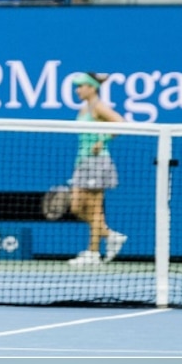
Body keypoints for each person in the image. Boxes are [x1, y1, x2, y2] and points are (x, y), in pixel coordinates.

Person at [67, 73, 126, 266]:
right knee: (76, 207)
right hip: (82, 161)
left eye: (81, 86)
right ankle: (109, 235)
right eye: (77, 86)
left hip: (97, 162)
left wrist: (103, 140)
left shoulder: (99, 106)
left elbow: (121, 123)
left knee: (94, 209)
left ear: (92, 87)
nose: (77, 90)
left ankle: (93, 253)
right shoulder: (85, 108)